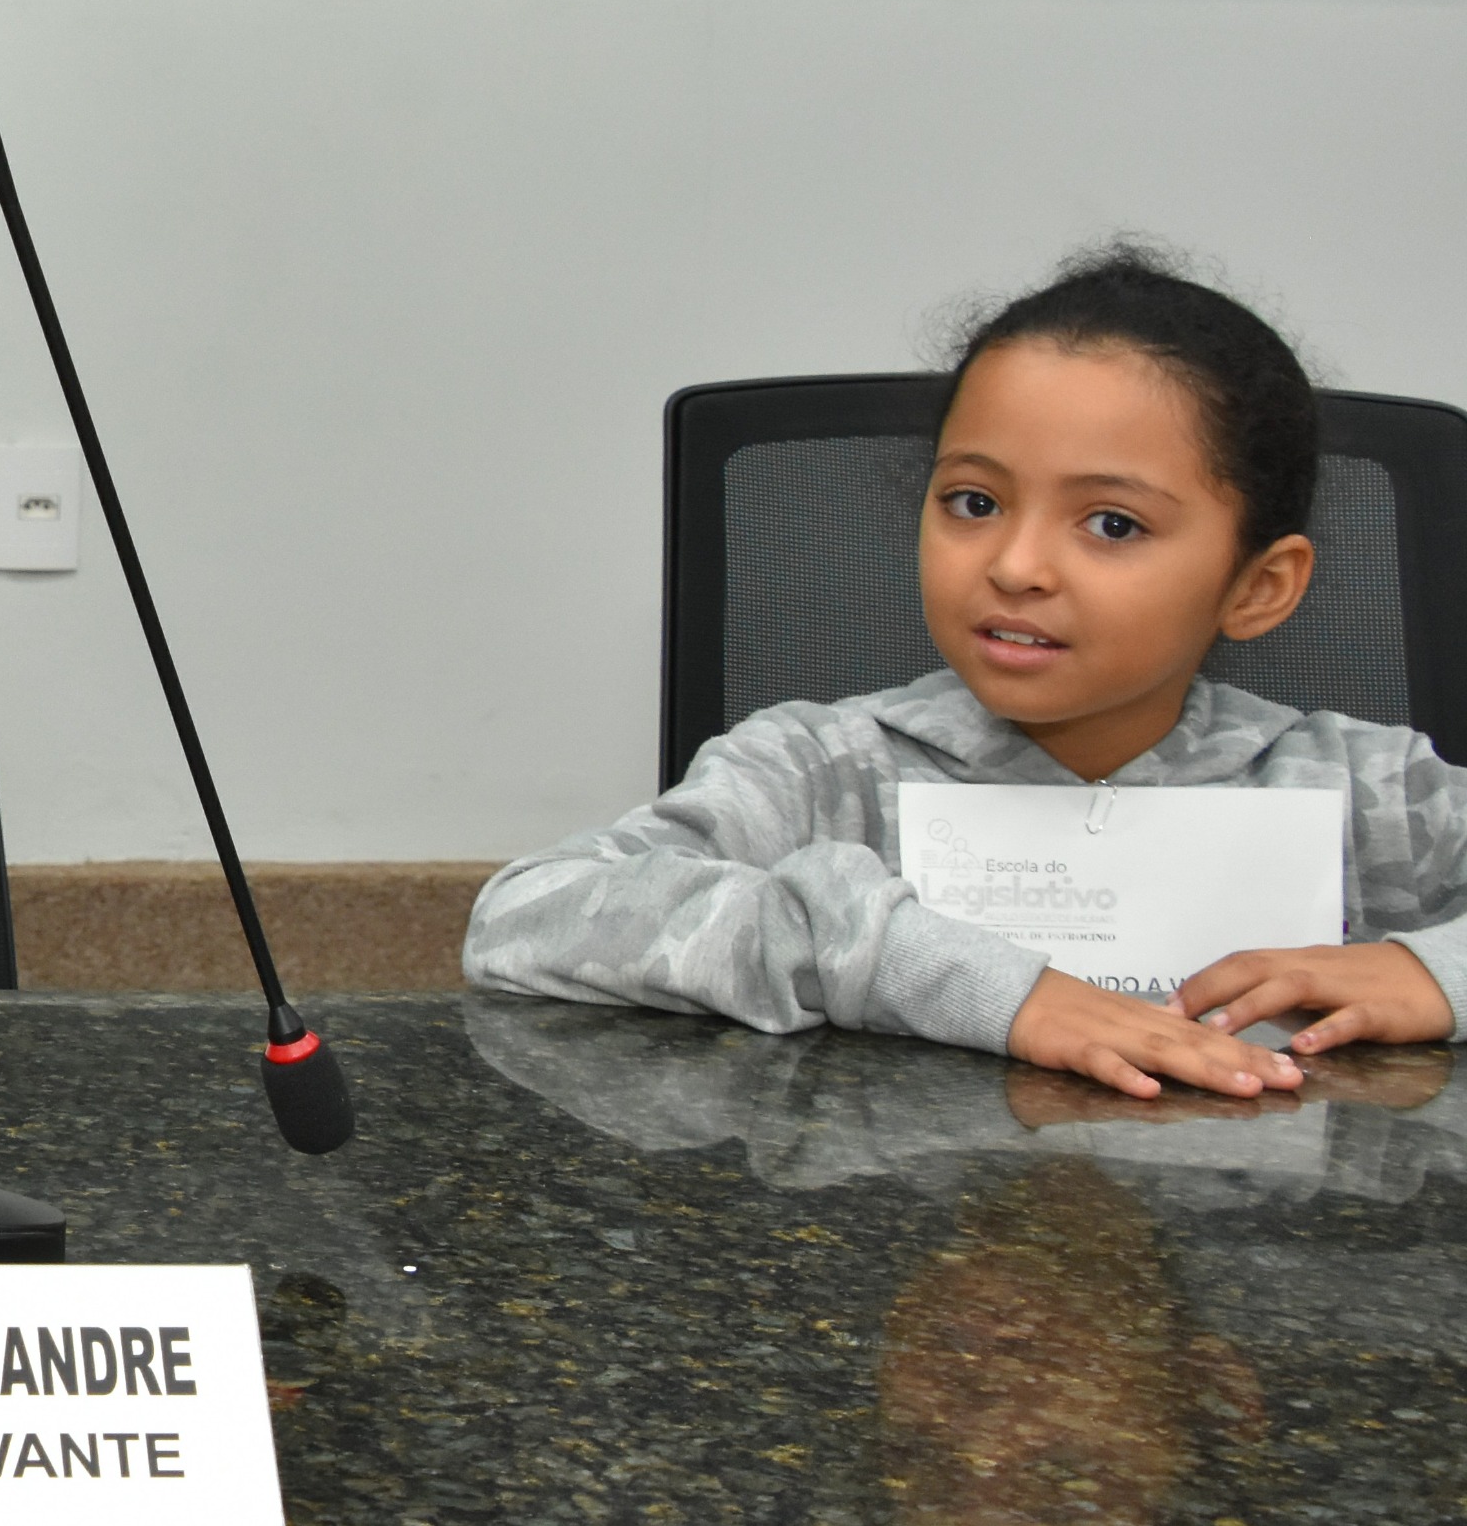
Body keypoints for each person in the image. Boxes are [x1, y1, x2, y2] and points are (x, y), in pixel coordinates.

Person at [467, 246, 1467, 1097]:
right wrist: (935, 971)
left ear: (1256, 585)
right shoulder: (824, 771)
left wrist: (1429, 972)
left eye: (1111, 523)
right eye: (973, 503)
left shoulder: (1370, 792)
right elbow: (524, 919)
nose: (1015, 565)